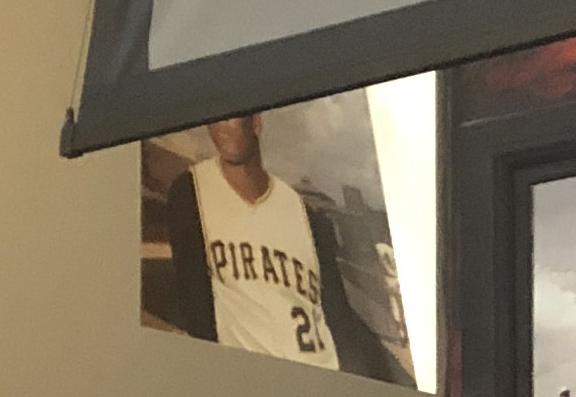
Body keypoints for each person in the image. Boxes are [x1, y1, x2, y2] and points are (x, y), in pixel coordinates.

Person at [146, 113, 404, 378]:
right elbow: (196, 311)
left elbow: (337, 318)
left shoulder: (305, 215)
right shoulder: (192, 189)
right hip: (250, 381)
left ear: (256, 123)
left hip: (319, 378)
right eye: (214, 120)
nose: (221, 129)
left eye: (231, 118)